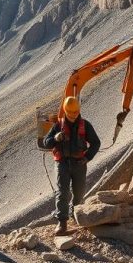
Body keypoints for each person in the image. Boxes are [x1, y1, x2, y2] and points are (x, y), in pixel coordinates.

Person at [42, 96, 101, 236]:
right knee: (62, 193)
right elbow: (46, 142)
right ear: (65, 111)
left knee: (79, 192)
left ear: (78, 110)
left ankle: (77, 216)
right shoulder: (58, 125)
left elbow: (96, 143)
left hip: (79, 163)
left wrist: (87, 157)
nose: (73, 116)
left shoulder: (85, 125)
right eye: (71, 113)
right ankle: (62, 223)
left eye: (75, 113)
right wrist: (55, 138)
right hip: (62, 163)